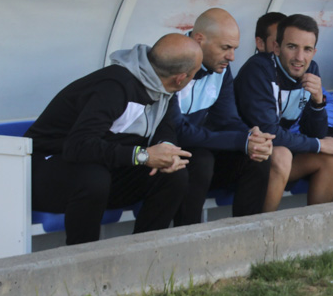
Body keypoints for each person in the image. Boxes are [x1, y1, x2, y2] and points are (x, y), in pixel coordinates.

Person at [25, 34, 201, 245]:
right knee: (94, 179)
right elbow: (78, 145)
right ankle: (84, 261)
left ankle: (145, 254)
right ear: (181, 78)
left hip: (99, 168)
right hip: (43, 171)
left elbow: (166, 127)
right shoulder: (115, 86)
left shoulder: (162, 86)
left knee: (173, 176)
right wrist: (143, 156)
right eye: (194, 75)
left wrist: (167, 152)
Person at [165, 9, 275, 224]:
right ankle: (188, 238)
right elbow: (177, 131)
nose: (231, 57)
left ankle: (248, 235)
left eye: (234, 49)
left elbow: (228, 119)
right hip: (161, 153)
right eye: (225, 48)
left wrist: (251, 137)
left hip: (192, 150)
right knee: (201, 160)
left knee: (257, 159)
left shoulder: (221, 69)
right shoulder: (171, 60)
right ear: (199, 40)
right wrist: (240, 141)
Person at [232, 13, 333, 211]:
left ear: (314, 51)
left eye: (307, 49)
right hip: (241, 157)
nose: (299, 58)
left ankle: (315, 233)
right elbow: (269, 133)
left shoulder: (311, 70)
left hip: (274, 154)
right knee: (281, 155)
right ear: (276, 47)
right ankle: (266, 234)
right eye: (292, 47)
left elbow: (315, 133)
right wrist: (319, 144)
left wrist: (318, 102)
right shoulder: (258, 71)